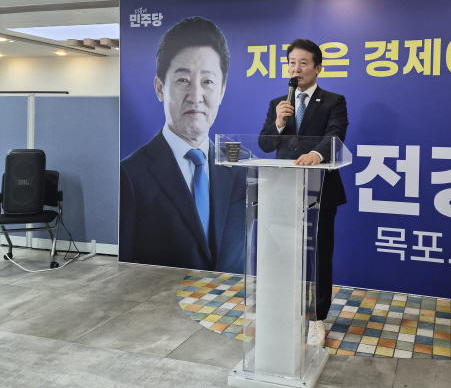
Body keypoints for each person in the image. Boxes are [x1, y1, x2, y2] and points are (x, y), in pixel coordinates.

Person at [120, 17, 246, 273]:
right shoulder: (130, 175)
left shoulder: (243, 163)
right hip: (163, 298)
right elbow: (126, 268)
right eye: (183, 80)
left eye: (207, 82)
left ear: (222, 91)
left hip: (231, 298)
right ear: (160, 88)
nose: (195, 96)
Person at [259, 38, 348, 347]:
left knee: (320, 255)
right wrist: (279, 123)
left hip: (320, 190)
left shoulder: (334, 101)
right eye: (291, 63)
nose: (295, 69)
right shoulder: (278, 103)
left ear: (317, 68)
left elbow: (336, 134)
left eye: (303, 63)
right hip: (282, 191)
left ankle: (318, 318)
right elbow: (265, 144)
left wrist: (317, 154)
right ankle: (286, 309)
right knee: (283, 252)